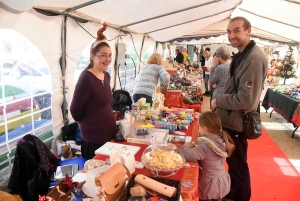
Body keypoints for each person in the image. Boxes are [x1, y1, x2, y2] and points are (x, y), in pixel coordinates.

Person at [211, 17, 268, 201]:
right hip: (231, 121)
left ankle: (240, 197)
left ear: (248, 31)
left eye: (236, 30)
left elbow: (246, 99)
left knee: (238, 167)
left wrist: (219, 100)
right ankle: (233, 194)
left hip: (237, 124)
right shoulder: (243, 55)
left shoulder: (254, 59)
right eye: (229, 31)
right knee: (234, 165)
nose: (232, 35)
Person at [70, 23, 116, 160]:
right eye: (102, 55)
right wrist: (82, 121)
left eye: (109, 55)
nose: (107, 59)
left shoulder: (106, 76)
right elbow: (75, 108)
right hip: (93, 138)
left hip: (108, 135)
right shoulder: (86, 78)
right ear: (92, 56)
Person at [182, 111, 234, 201]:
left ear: (205, 129)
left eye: (199, 127)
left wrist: (186, 145)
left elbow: (188, 154)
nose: (199, 129)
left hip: (209, 184)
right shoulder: (222, 139)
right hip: (221, 181)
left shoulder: (205, 145)